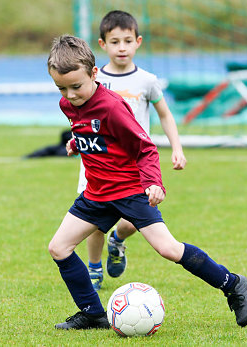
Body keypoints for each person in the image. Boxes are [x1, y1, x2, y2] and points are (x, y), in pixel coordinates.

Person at [47, 35, 247, 330]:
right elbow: (93, 132)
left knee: (168, 249)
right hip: (96, 194)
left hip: (130, 191)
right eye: (61, 88)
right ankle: (93, 313)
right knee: (59, 247)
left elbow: (144, 148)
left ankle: (232, 284)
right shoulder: (68, 104)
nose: (70, 95)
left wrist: (154, 183)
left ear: (94, 74)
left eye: (76, 86)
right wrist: (78, 143)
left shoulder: (112, 107)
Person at [77, 10, 187, 292]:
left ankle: (118, 241)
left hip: (135, 165)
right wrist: (75, 140)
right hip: (97, 161)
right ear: (103, 45)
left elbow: (165, 115)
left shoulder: (147, 80)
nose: (122, 47)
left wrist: (177, 148)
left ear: (138, 42)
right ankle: (94, 269)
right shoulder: (94, 78)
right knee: (93, 222)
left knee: (135, 220)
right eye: (115, 42)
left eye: (127, 40)